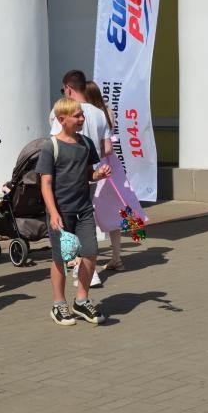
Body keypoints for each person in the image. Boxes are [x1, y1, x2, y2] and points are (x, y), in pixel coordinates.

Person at [38, 97, 112, 325]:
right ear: (62, 120)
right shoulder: (51, 146)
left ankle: (81, 300)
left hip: (84, 210)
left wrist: (98, 175)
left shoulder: (86, 144)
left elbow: (89, 174)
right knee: (61, 259)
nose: (82, 119)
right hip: (61, 213)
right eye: (77, 116)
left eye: (82, 114)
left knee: (90, 253)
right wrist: (54, 213)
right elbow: (45, 184)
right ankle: (58, 304)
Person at [49, 70, 114, 282]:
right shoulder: (100, 113)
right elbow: (107, 148)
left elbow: (55, 141)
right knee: (83, 222)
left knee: (70, 227)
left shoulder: (62, 111)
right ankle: (83, 269)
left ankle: (80, 267)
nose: (80, 119)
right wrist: (94, 164)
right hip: (89, 174)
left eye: (64, 90)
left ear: (68, 88)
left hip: (66, 179)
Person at [84, 79, 126, 271]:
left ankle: (86, 261)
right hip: (112, 166)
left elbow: (104, 146)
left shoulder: (90, 114)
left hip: (96, 166)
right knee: (114, 210)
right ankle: (116, 257)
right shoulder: (108, 112)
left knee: (89, 213)